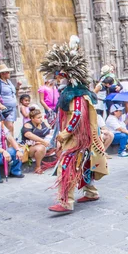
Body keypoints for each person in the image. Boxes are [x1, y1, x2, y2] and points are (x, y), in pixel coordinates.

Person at [40, 36, 108, 214]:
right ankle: (91, 192)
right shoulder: (71, 94)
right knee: (84, 163)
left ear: (68, 76)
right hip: (79, 138)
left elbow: (77, 116)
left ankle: (66, 201)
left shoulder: (76, 96)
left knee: (67, 166)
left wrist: (63, 135)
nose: (57, 79)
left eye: (60, 76)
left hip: (78, 138)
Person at [0, 64, 21, 136]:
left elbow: (14, 93)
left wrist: (18, 86)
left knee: (11, 127)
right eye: (8, 72)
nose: (9, 74)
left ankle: (11, 144)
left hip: (12, 108)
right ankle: (10, 145)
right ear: (2, 73)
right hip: (4, 109)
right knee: (9, 128)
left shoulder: (8, 81)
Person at [21, 106, 52, 174]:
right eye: (38, 118)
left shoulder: (42, 123)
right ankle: (38, 167)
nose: (41, 119)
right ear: (32, 118)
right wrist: (42, 141)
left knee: (58, 144)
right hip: (30, 148)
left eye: (41, 117)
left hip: (44, 144)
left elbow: (49, 132)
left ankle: (60, 163)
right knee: (41, 148)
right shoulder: (28, 125)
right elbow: (28, 135)